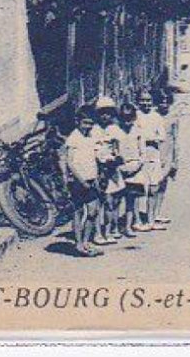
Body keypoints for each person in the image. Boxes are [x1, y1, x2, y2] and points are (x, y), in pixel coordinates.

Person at [60, 103, 105, 256]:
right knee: (78, 212)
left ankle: (86, 241)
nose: (88, 126)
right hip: (78, 182)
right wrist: (81, 180)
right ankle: (78, 244)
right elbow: (70, 163)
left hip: (91, 179)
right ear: (78, 122)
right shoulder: (73, 139)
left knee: (93, 211)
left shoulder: (91, 137)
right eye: (85, 123)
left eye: (91, 123)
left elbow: (93, 159)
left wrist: (96, 177)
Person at [89, 96, 126, 242]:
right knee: (100, 201)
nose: (105, 116)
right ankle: (98, 232)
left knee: (113, 201)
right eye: (102, 113)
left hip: (112, 169)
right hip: (98, 169)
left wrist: (117, 159)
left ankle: (110, 229)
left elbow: (118, 148)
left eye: (109, 113)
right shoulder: (93, 130)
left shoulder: (115, 129)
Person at [136, 89, 170, 231]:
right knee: (137, 188)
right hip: (138, 154)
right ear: (138, 101)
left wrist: (161, 158)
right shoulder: (135, 116)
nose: (146, 103)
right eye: (143, 100)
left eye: (148, 100)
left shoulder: (157, 117)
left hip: (152, 153)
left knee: (153, 188)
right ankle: (137, 220)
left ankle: (151, 219)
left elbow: (161, 138)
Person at [115, 97, 150, 234]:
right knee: (117, 199)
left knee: (131, 199)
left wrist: (137, 165)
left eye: (130, 119)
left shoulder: (138, 131)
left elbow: (143, 152)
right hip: (121, 168)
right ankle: (115, 227)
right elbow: (114, 150)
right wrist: (119, 166)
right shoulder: (116, 131)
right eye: (124, 119)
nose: (127, 122)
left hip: (135, 168)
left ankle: (129, 226)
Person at [153, 87, 178, 226]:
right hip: (154, 152)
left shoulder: (173, 117)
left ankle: (157, 212)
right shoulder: (152, 116)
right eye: (161, 101)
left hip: (167, 153)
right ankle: (149, 213)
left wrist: (175, 160)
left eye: (166, 101)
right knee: (152, 185)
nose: (164, 104)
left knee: (163, 184)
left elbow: (175, 138)